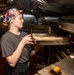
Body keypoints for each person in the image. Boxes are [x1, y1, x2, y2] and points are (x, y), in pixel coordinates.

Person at [1, 8, 42, 75]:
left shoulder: (24, 34)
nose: (23, 20)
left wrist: (38, 46)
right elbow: (12, 63)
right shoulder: (6, 38)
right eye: (20, 18)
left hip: (26, 68)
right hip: (14, 72)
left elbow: (29, 54)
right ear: (12, 20)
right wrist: (22, 43)